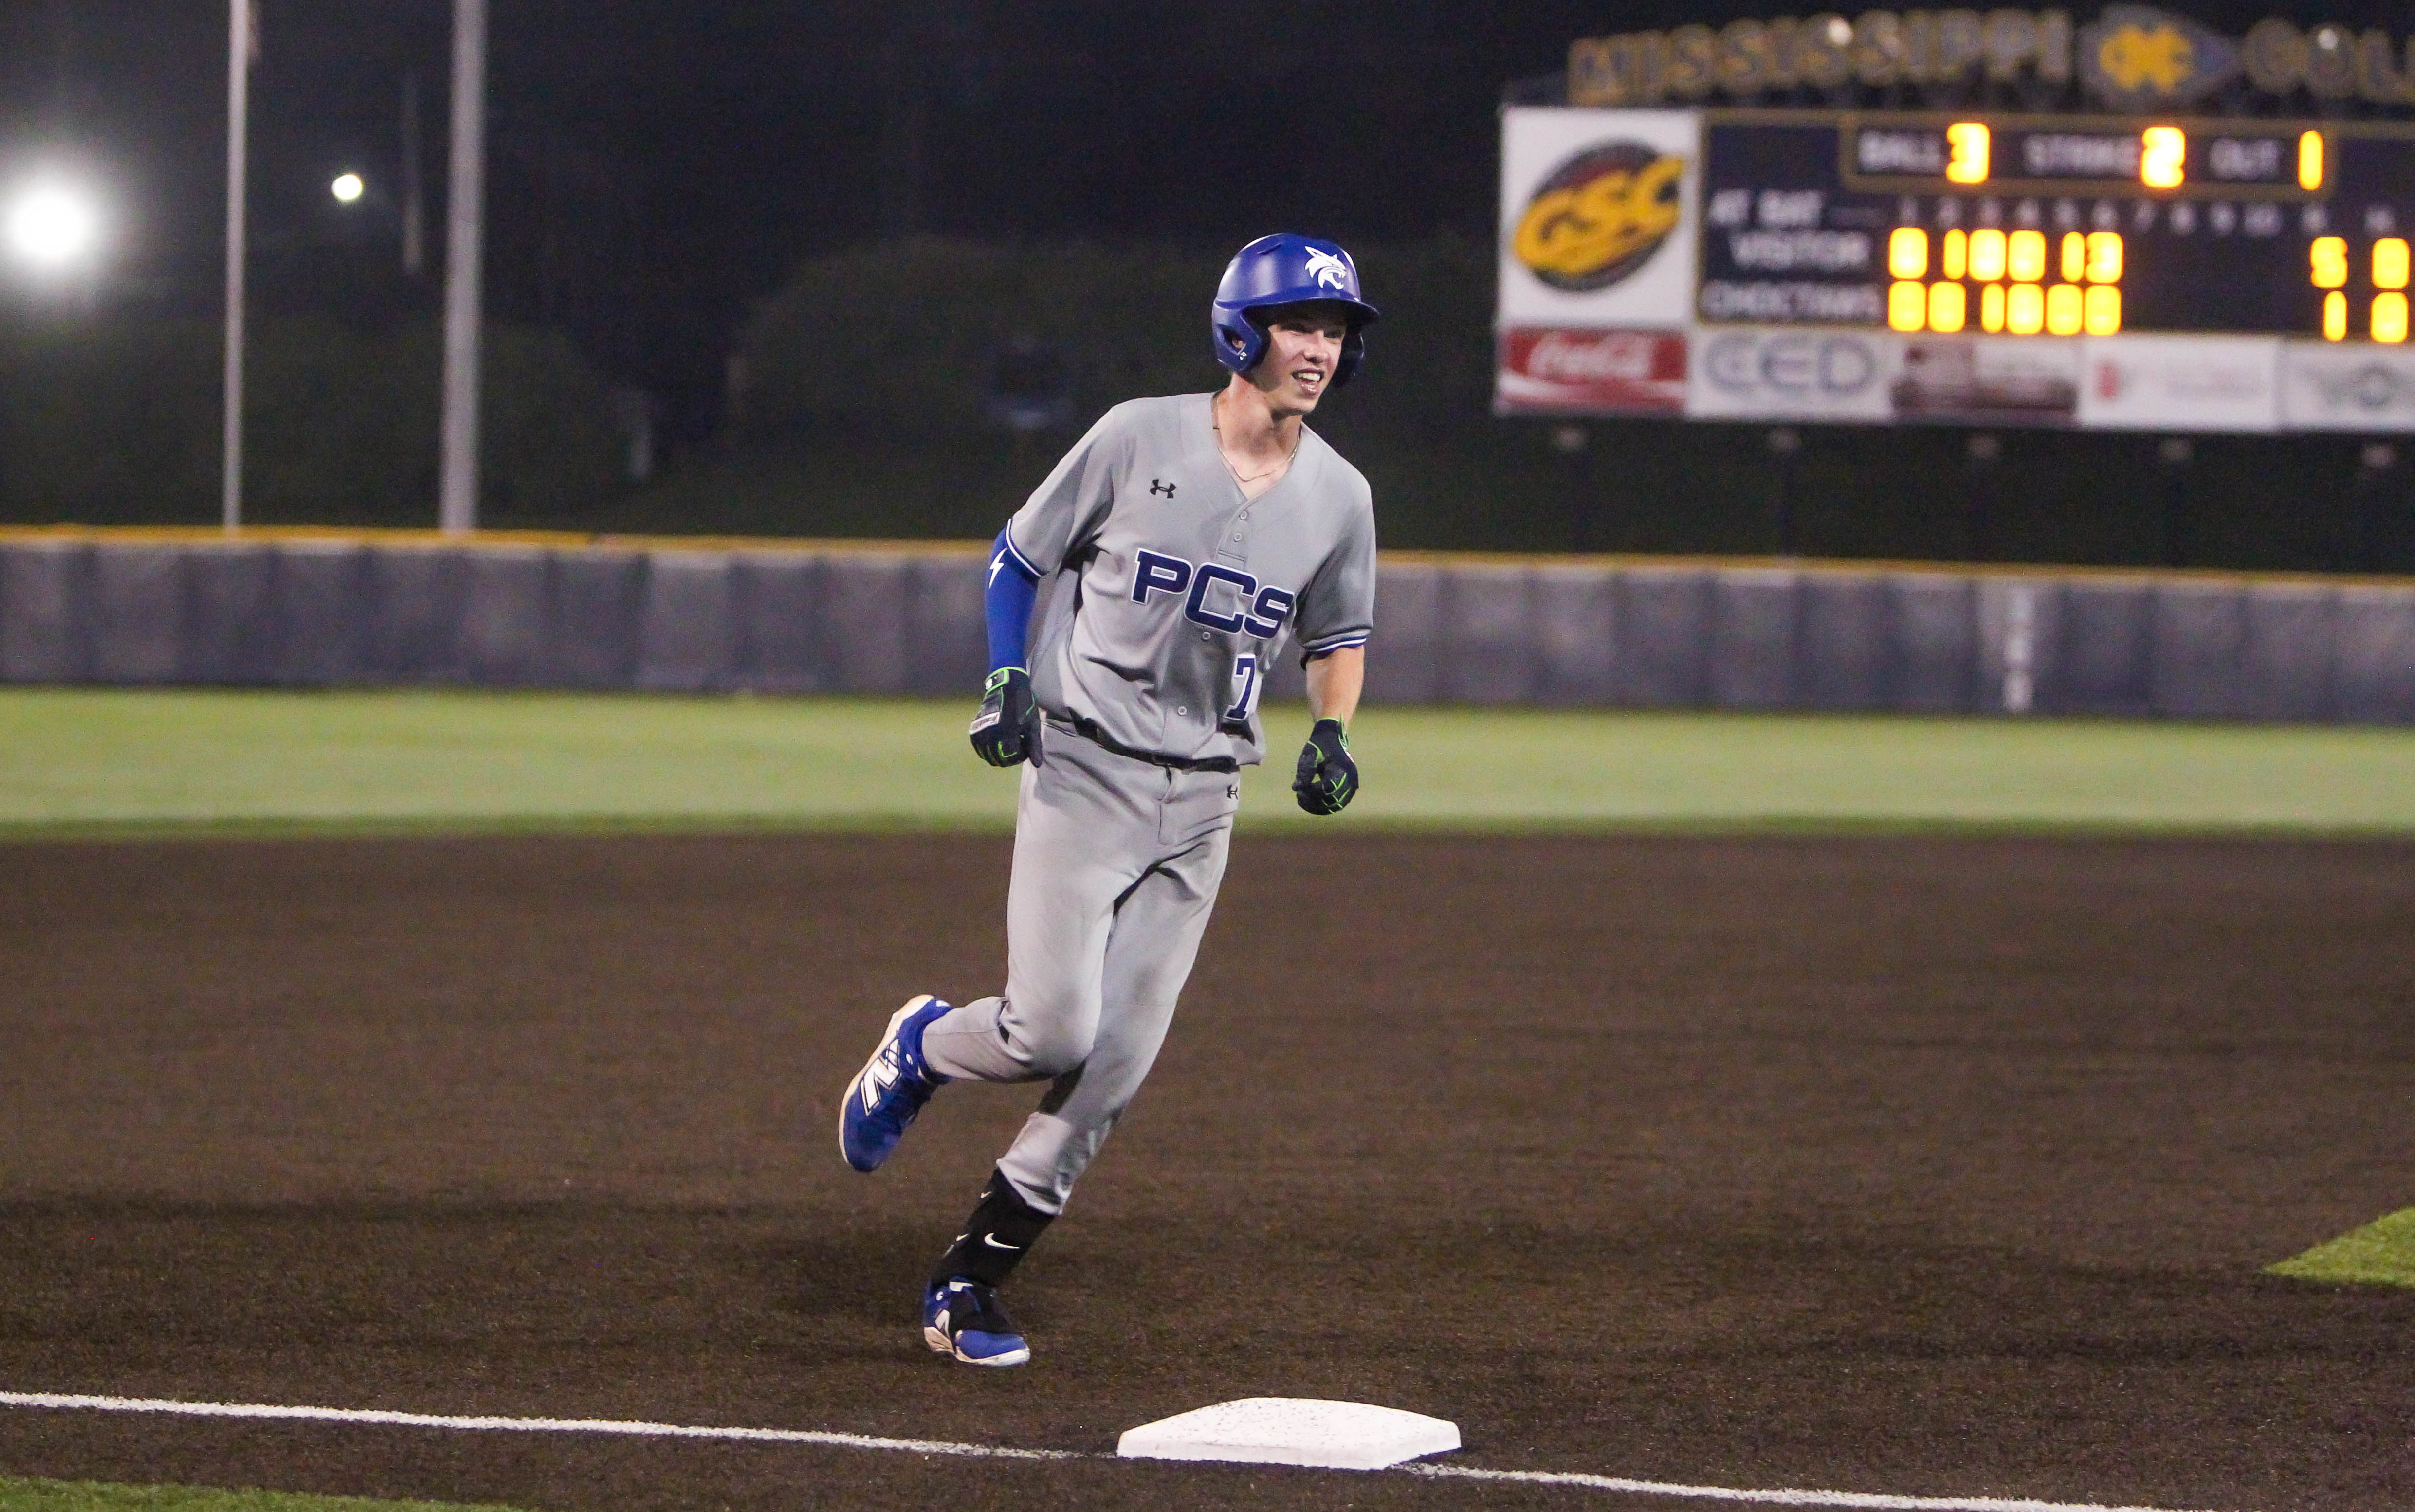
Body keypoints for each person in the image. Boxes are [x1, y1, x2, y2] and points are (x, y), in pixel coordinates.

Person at [838, 233, 1381, 1367]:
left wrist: (1333, 726)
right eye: (1301, 324)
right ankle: (926, 1045)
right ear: (1244, 328)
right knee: (1052, 1029)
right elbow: (1020, 555)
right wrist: (1005, 673)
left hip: (1206, 803)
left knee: (1118, 1064)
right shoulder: (1139, 435)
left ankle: (967, 1284)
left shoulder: (1340, 496)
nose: (1320, 349)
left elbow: (1337, 636)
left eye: (1335, 330)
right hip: (1086, 768)